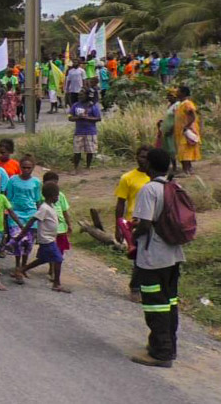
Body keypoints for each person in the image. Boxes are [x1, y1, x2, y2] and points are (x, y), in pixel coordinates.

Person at [130, 148, 185, 368]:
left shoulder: (149, 189)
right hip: (174, 254)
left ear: (150, 166)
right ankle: (166, 345)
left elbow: (144, 224)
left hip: (154, 257)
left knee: (155, 305)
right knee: (170, 302)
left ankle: (162, 354)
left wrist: (132, 236)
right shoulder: (174, 187)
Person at [11, 182, 71, 293]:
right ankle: (56, 284)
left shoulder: (50, 206)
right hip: (46, 240)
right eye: (56, 195)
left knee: (43, 259)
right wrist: (21, 235)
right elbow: (32, 220)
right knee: (58, 259)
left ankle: (21, 270)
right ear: (50, 196)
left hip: (50, 239)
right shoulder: (44, 208)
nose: (57, 197)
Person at [115, 146, 152, 302]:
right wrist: (118, 227)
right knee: (139, 257)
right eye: (140, 156)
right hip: (133, 223)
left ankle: (146, 287)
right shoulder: (127, 178)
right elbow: (120, 203)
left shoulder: (155, 177)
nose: (142, 159)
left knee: (149, 257)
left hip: (152, 222)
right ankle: (135, 288)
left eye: (146, 157)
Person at [5, 156, 41, 272]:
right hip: (16, 215)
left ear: (33, 168)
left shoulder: (36, 182)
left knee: (28, 243)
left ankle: (23, 267)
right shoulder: (13, 180)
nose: (26, 170)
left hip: (31, 214)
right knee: (18, 240)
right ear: (20, 167)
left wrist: (40, 216)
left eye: (28, 168)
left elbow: (37, 200)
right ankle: (17, 265)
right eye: (24, 167)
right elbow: (8, 198)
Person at [69, 88, 102, 173]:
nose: (79, 96)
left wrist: (87, 118)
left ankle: (87, 167)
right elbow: (70, 117)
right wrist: (78, 117)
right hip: (78, 132)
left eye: (81, 95)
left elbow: (98, 118)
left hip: (90, 131)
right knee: (77, 151)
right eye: (79, 95)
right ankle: (75, 168)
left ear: (87, 96)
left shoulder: (92, 106)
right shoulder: (75, 105)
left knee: (90, 151)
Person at [173, 86, 201, 176]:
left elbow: (192, 116)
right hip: (182, 131)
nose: (176, 93)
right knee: (185, 150)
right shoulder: (181, 104)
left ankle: (186, 171)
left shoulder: (187, 104)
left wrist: (186, 127)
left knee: (184, 150)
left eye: (178, 91)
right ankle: (188, 169)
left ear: (184, 93)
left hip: (186, 130)